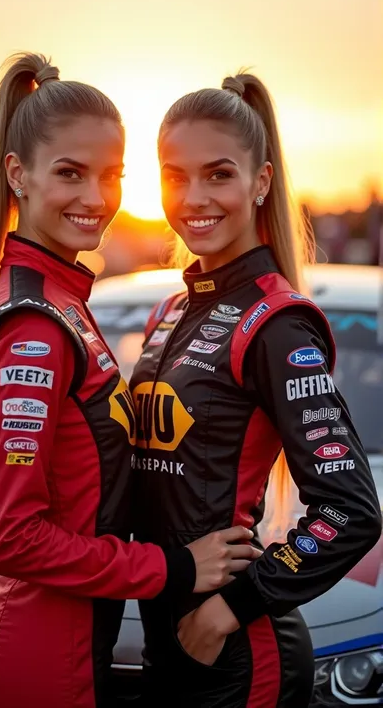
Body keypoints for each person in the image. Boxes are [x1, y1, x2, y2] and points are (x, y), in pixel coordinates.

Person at [0, 53, 260, 708]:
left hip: (65, 650)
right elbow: (8, 537)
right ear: (19, 175)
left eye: (111, 175)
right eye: (70, 172)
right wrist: (172, 568)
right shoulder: (35, 324)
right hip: (34, 660)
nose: (96, 199)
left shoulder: (64, 300)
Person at [129, 71, 382, 708]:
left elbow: (350, 512)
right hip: (162, 639)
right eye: (175, 175)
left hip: (237, 654)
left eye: (219, 174)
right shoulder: (168, 313)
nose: (194, 197)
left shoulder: (276, 322)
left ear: (260, 182)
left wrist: (226, 612)